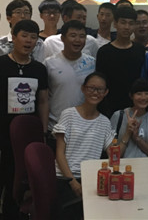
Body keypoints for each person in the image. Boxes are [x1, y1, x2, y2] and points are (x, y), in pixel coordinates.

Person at [0, 19, 49, 220]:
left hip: (28, 139)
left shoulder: (39, 69)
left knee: (20, 186)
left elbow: (43, 102)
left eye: (33, 37)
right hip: (0, 135)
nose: (28, 41)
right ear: (14, 38)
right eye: (24, 36)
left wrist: (43, 133)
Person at [54, 72, 114, 220]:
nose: (95, 92)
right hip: (65, 179)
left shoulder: (105, 122)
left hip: (90, 180)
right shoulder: (68, 114)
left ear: (106, 92)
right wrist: (73, 182)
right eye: (91, 88)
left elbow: (114, 155)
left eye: (100, 89)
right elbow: (59, 154)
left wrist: (129, 133)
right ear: (83, 88)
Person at [45, 20, 96, 148]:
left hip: (85, 128)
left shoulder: (92, 64)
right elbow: (43, 99)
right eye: (73, 35)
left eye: (82, 36)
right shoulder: (49, 64)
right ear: (63, 38)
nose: (78, 40)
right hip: (56, 128)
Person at [95, 6, 146, 117]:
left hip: (134, 107)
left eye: (131, 23)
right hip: (108, 108)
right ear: (115, 24)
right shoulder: (104, 52)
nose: (127, 27)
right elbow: (100, 82)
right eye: (123, 22)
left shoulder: (140, 50)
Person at [110, 78, 148, 158]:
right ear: (131, 96)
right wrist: (128, 133)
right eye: (139, 94)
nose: (143, 98)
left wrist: (137, 138)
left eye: (147, 93)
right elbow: (113, 156)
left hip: (146, 164)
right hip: (123, 164)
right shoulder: (118, 116)